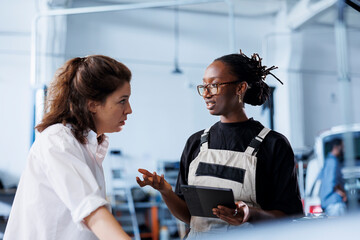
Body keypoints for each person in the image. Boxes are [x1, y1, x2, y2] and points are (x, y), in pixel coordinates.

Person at [136, 50, 304, 238]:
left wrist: (249, 214)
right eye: (204, 85)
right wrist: (165, 191)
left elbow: (290, 217)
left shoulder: (273, 144)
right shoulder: (196, 143)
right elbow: (190, 217)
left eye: (214, 85)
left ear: (240, 88)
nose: (206, 93)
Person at [4, 55, 132, 240]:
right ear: (92, 104)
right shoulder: (58, 140)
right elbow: (91, 210)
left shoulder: (88, 146)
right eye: (122, 100)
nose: (129, 109)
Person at [319, 138, 347, 216]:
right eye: (342, 147)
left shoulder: (328, 161)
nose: (344, 150)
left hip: (330, 203)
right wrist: (343, 194)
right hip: (335, 203)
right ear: (336, 147)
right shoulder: (333, 162)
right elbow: (331, 183)